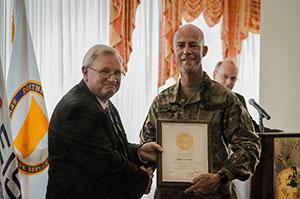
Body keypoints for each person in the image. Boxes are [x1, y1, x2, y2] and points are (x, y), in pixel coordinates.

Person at [140, 24, 261, 198]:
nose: (186, 51)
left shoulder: (225, 99)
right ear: (173, 51)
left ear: (204, 51)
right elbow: (148, 146)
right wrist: (147, 170)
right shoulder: (161, 101)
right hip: (170, 195)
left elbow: (250, 146)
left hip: (214, 194)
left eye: (193, 45)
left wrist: (221, 176)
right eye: (181, 45)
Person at [46, 44, 162, 199]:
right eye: (105, 71)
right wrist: (142, 179)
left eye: (117, 73)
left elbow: (111, 145)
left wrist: (140, 152)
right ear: (86, 72)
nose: (113, 79)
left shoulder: (101, 101)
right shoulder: (78, 108)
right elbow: (105, 163)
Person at [213, 59, 283, 133]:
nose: (229, 82)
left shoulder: (239, 99)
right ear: (214, 74)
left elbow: (252, 127)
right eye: (225, 76)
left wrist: (278, 134)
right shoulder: (204, 97)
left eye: (233, 78)